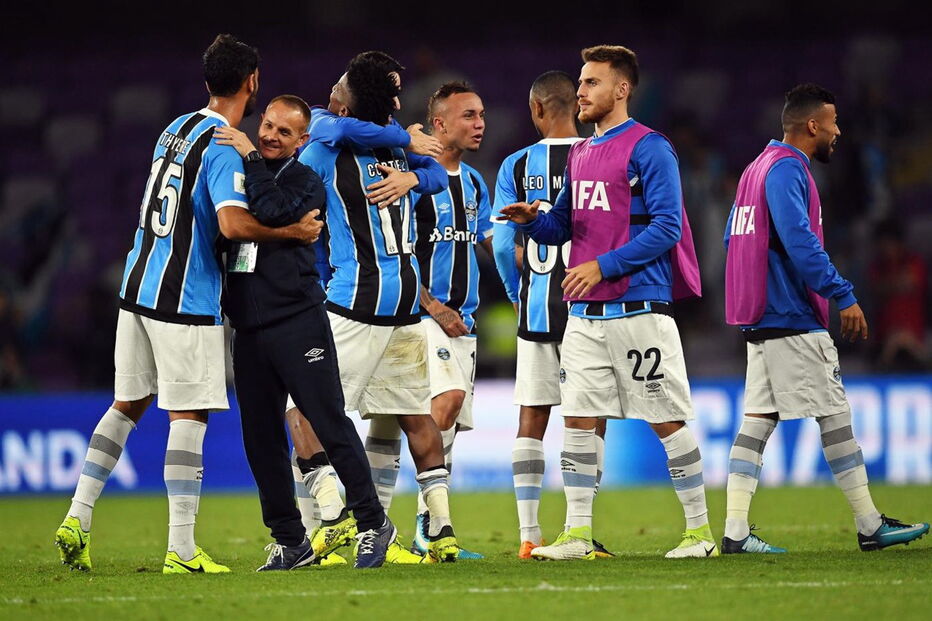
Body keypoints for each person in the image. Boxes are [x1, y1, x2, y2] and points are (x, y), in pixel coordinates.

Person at [54, 34, 316, 574]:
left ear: (205, 82)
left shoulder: (175, 128)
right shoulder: (226, 146)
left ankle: (77, 517)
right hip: (184, 297)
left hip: (137, 285)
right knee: (188, 414)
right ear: (253, 82)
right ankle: (181, 548)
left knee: (126, 403)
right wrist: (292, 230)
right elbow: (231, 222)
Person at [498, 45, 714, 560]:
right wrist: (531, 220)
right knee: (577, 418)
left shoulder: (650, 148)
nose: (581, 92)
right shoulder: (582, 152)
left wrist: (604, 266)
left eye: (592, 82)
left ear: (622, 89)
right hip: (585, 315)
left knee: (665, 419)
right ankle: (576, 533)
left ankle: (700, 533)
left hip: (639, 309)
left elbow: (667, 228)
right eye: (580, 82)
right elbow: (563, 226)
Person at [722, 83, 929, 553]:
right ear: (812, 125)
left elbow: (731, 243)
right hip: (791, 316)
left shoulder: (755, 169)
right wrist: (842, 293)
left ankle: (735, 533)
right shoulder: (788, 170)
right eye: (834, 123)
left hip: (762, 317)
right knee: (835, 414)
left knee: (756, 422)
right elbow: (801, 244)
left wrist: (749, 298)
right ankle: (870, 524)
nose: (839, 132)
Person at [212, 94, 402, 569]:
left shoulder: (306, 180)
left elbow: (275, 210)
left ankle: (374, 522)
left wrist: (251, 158)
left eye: (283, 131)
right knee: (260, 439)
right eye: (267, 125)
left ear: (301, 141)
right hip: (249, 331)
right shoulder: (241, 176)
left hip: (298, 322)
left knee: (329, 423)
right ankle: (291, 540)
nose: (270, 135)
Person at [297, 51, 462, 563]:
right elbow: (440, 173)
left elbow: (314, 145)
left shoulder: (324, 148)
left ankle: (330, 518)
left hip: (356, 304)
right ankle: (441, 529)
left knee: (300, 410)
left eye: (336, 92)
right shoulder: (399, 146)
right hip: (407, 303)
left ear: (345, 105)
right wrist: (411, 162)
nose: (327, 99)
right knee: (415, 416)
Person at [492, 70, 613, 560]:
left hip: (537, 307)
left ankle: (528, 534)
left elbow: (502, 244)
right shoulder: (601, 154)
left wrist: (518, 294)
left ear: (537, 109)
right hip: (590, 307)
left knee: (532, 416)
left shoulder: (516, 165)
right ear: (576, 104)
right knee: (588, 419)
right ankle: (578, 530)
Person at [407, 82, 493, 559]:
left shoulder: (476, 182)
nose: (479, 123)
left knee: (451, 427)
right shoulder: (414, 178)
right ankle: (427, 525)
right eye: (468, 115)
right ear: (439, 123)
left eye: (481, 114)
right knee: (447, 402)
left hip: (466, 325)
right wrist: (434, 307)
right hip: (424, 317)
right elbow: (399, 255)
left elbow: (485, 242)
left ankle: (434, 531)